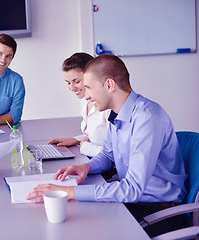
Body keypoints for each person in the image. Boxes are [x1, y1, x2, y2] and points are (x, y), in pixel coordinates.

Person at [26, 54, 187, 237]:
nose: (86, 95)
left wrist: (70, 191)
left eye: (88, 87)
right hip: (134, 201)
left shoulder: (147, 118)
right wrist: (86, 166)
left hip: (157, 211)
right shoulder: (116, 113)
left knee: (81, 229)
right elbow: (108, 155)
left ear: (109, 85)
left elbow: (132, 189)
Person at [48, 53, 110, 157]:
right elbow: (92, 135)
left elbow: (115, 154)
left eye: (76, 81)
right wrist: (75, 140)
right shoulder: (85, 100)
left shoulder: (107, 107)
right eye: (68, 83)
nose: (72, 88)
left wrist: (85, 147)